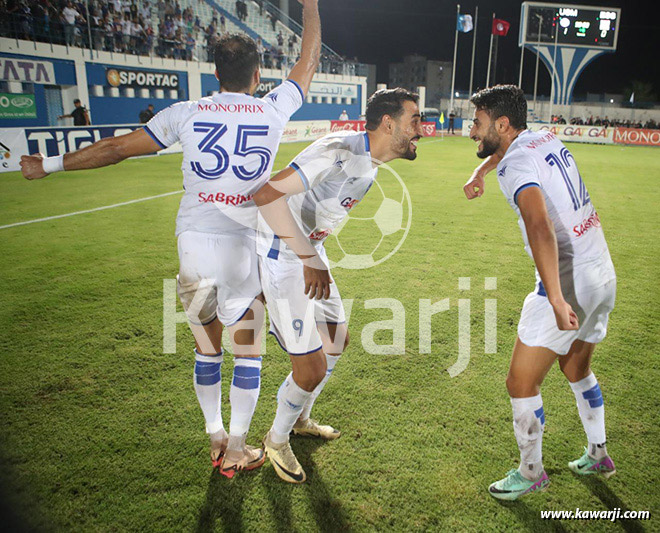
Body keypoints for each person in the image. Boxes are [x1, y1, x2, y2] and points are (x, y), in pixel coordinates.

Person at [20, 0, 322, 479]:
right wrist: (309, 8)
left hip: (193, 246)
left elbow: (116, 148)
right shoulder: (272, 108)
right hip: (242, 248)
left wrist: (49, 165)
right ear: (258, 73)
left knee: (207, 349)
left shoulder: (185, 112)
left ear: (215, 73)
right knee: (248, 351)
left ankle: (215, 435)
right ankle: (240, 447)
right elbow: (307, 62)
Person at [254, 88, 424, 483]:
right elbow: (266, 195)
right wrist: (308, 259)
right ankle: (276, 439)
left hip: (309, 249)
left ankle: (300, 419)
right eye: (414, 121)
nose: (422, 130)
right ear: (388, 123)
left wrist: (314, 254)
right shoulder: (339, 151)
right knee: (310, 368)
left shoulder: (370, 163)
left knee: (337, 338)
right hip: (286, 252)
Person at [463, 85, 616, 500]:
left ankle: (531, 472)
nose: (470, 131)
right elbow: (506, 154)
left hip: (568, 279)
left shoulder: (515, 166)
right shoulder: (543, 135)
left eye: (477, 123)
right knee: (575, 368)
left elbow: (539, 225)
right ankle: (599, 451)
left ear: (502, 124)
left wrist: (555, 297)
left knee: (520, 382)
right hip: (601, 269)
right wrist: (479, 171)